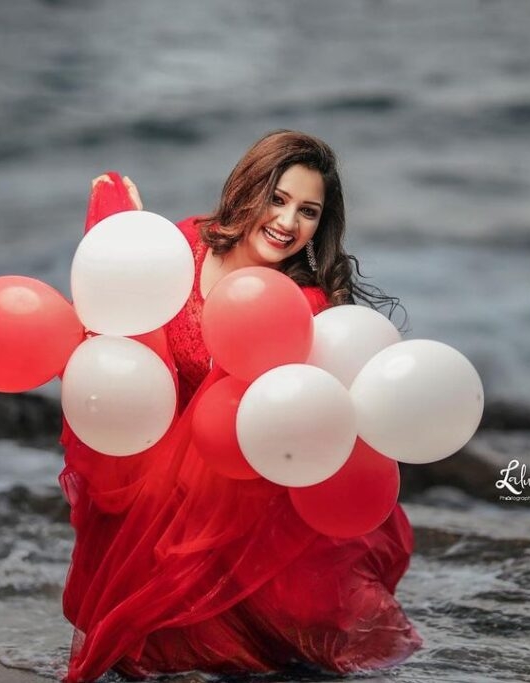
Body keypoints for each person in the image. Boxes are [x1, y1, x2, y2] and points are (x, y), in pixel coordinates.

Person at [59, 130, 421, 682]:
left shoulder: (304, 305)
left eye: (308, 212)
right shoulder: (183, 247)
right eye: (277, 199)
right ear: (249, 189)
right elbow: (125, 331)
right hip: (156, 467)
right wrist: (119, 228)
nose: (287, 222)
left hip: (243, 486)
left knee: (291, 633)